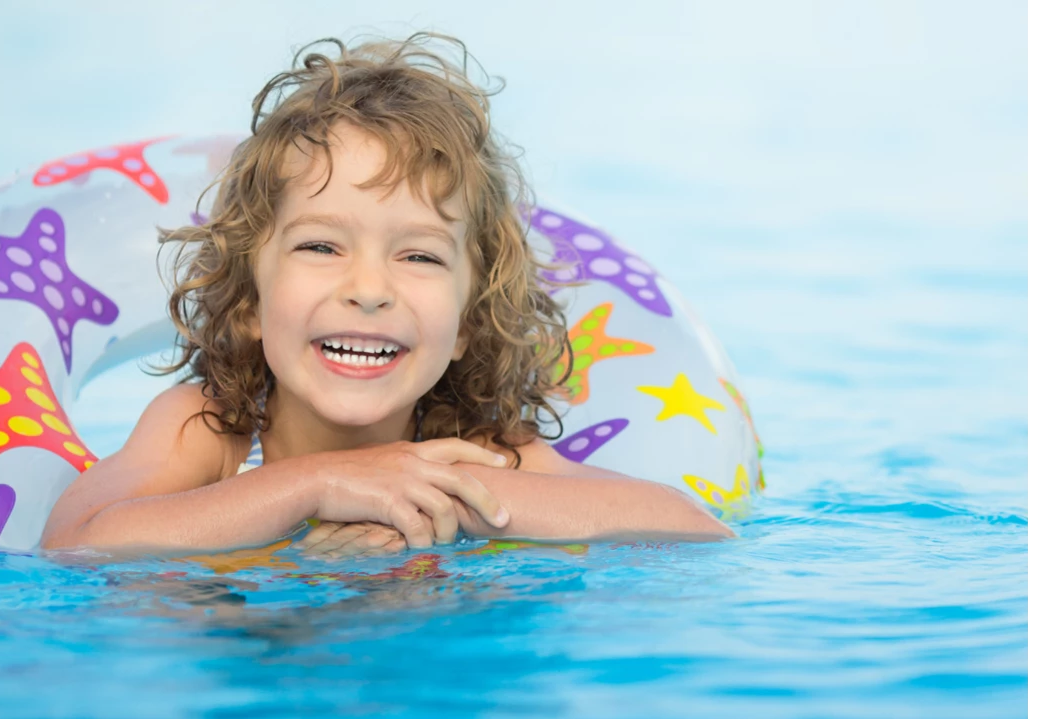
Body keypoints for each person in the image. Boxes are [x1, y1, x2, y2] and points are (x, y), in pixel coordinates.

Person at [40, 33, 734, 558]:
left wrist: (433, 496)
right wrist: (310, 487)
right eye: (320, 246)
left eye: (419, 254)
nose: (368, 289)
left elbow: (690, 529)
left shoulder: (472, 448)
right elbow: (76, 541)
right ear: (249, 300)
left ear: (466, 320)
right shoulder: (211, 427)